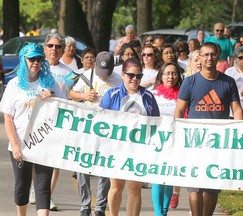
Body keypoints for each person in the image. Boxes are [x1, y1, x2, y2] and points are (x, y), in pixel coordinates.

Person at [174, 42, 243, 216]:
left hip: (218, 144)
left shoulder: (228, 82)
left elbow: (236, 110)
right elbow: (179, 111)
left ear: (218, 56)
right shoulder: (190, 82)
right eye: (205, 55)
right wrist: (177, 135)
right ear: (200, 58)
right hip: (194, 143)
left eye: (212, 54)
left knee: (212, 188)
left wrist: (241, 134)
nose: (209, 58)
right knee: (194, 188)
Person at [0, 43, 66, 216]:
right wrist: (14, 145)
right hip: (21, 143)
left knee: (43, 187)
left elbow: (66, 107)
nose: (36, 62)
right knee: (21, 186)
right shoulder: (14, 85)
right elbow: (8, 118)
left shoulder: (50, 83)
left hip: (44, 143)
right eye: (32, 59)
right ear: (24, 60)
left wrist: (52, 96)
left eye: (39, 59)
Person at [100, 58, 160, 216]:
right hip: (116, 149)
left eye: (139, 76)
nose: (135, 79)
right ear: (122, 74)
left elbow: (157, 123)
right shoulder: (111, 95)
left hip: (139, 150)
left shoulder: (148, 96)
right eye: (131, 75)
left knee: (135, 188)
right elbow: (100, 124)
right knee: (116, 188)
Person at [70, 51, 122, 216]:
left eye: (107, 74)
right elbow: (72, 94)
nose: (104, 77)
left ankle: (100, 206)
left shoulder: (119, 80)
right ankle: (85, 205)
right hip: (87, 128)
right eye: (101, 73)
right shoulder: (87, 76)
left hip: (108, 131)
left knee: (104, 169)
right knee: (82, 166)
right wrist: (84, 95)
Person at [43, 32, 72, 210]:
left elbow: (72, 97)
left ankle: (47, 195)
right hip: (37, 121)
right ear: (45, 48)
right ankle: (35, 188)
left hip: (58, 121)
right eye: (51, 46)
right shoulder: (36, 65)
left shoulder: (69, 73)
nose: (54, 49)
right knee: (35, 158)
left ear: (63, 50)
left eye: (58, 46)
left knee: (54, 160)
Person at [151, 62, 183, 216]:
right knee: (157, 176)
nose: (171, 77)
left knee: (169, 176)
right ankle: (159, 214)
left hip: (176, 141)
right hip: (157, 141)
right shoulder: (153, 94)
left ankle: (164, 211)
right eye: (167, 73)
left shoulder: (183, 94)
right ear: (161, 76)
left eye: (174, 73)